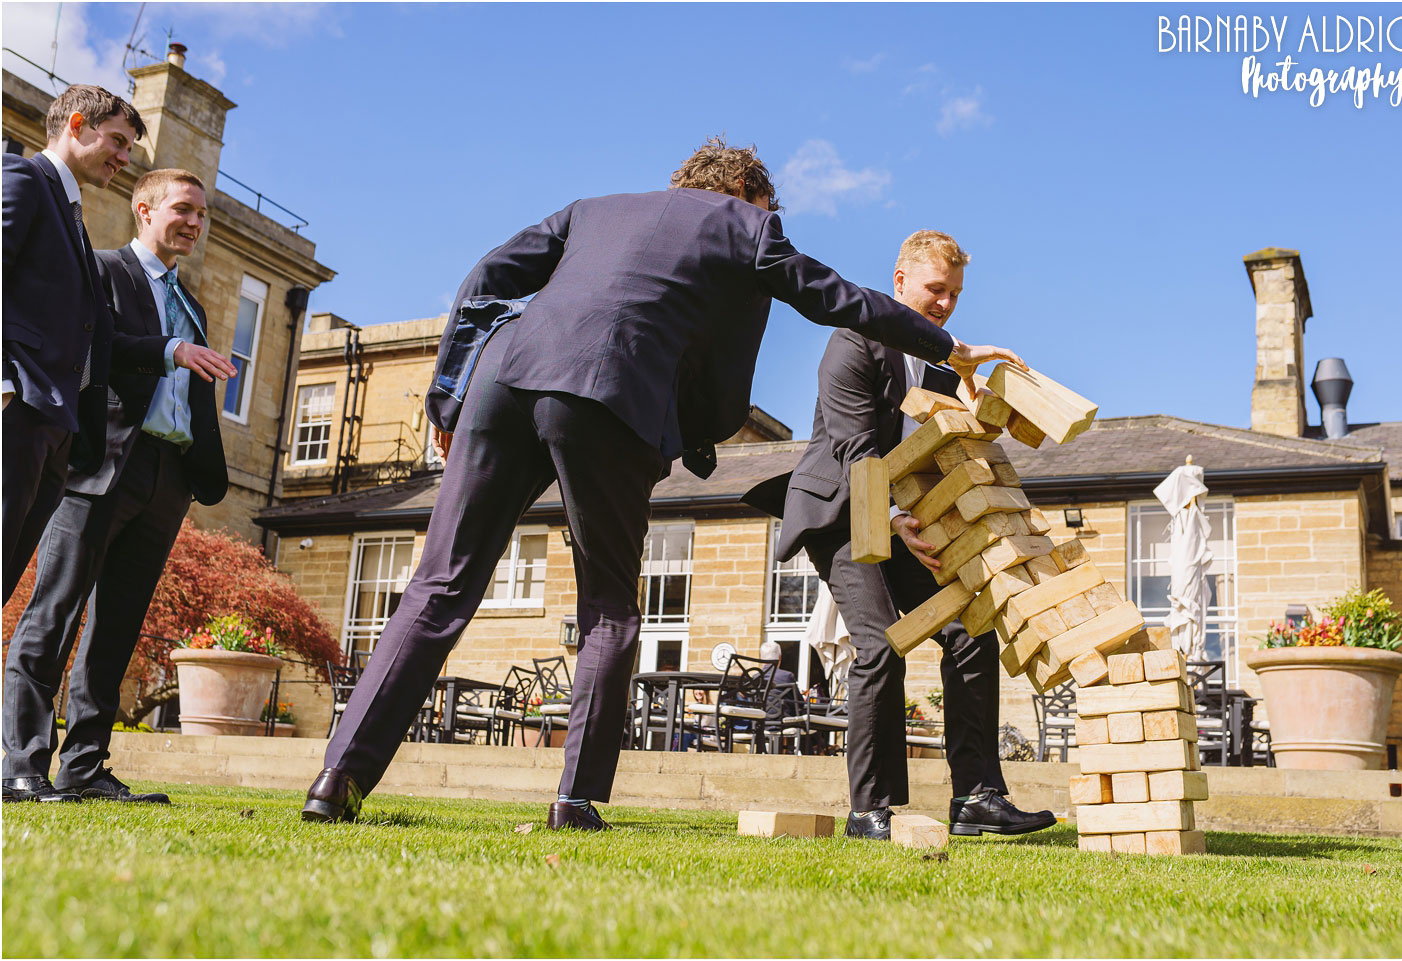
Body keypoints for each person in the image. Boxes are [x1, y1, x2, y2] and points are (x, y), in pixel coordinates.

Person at [301, 138, 1023, 829]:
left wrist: (447, 395)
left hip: (503, 376)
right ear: (746, 193)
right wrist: (942, 344)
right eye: (771, 209)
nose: (772, 223)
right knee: (610, 610)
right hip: (605, 390)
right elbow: (828, 295)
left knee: (439, 586)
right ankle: (576, 799)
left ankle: (338, 780)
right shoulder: (746, 223)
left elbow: (485, 277)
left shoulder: (593, 207)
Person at [769, 230, 1055, 840]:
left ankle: (978, 797)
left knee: (970, 627)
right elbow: (857, 451)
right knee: (879, 644)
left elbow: (934, 449)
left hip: (902, 516)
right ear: (900, 283)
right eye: (935, 289)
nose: (945, 303)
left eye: (954, 293)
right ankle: (869, 810)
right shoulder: (852, 341)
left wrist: (981, 395)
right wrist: (895, 524)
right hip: (841, 512)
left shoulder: (936, 364)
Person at [1, 168, 235, 805]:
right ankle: (20, 764)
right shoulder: (101, 271)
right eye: (183, 209)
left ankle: (84, 766)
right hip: (101, 464)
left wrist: (195, 471)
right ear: (144, 208)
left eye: (201, 214)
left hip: (168, 475)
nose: (193, 222)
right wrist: (169, 350)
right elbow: (97, 352)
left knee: (117, 628)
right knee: (55, 611)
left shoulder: (196, 306)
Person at [2, 84, 146, 609]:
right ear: (77, 125)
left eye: (129, 149)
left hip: (55, 429)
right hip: (16, 412)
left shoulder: (73, 215)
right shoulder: (22, 177)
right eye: (118, 141)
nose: (124, 159)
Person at [758, 639, 800, 754]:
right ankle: (801, 754)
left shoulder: (755, 677)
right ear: (779, 657)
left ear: (761, 657)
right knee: (805, 721)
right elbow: (799, 702)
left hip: (761, 722)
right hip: (783, 722)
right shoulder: (787, 676)